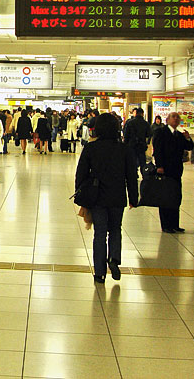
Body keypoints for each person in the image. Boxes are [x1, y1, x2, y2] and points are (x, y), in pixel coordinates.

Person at [75, 113, 138, 284]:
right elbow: (131, 175)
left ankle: (100, 272)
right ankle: (114, 259)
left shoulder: (91, 148)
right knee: (116, 229)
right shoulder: (124, 149)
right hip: (117, 195)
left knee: (100, 233)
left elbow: (81, 173)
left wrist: (81, 195)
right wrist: (134, 197)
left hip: (97, 196)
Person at [152, 112, 194, 233]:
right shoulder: (161, 132)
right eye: (173, 117)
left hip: (176, 170)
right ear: (167, 120)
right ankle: (166, 224)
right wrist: (159, 165)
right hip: (165, 169)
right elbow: (158, 150)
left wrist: (188, 137)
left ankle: (175, 223)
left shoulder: (179, 135)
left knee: (176, 196)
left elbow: (189, 146)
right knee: (165, 197)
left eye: (177, 118)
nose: (176, 119)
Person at [123, 108, 152, 172]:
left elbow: (126, 135)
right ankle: (144, 176)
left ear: (136, 113)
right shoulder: (146, 123)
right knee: (142, 163)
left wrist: (125, 145)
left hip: (132, 145)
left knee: (132, 163)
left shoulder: (130, 122)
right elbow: (148, 134)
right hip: (141, 146)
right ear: (142, 114)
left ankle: (134, 176)